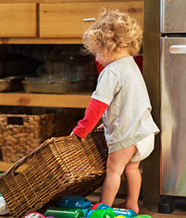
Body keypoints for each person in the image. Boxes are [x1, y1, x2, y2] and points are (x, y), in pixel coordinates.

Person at [70, 10, 160, 214]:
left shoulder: (111, 72)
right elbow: (128, 102)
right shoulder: (131, 66)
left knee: (113, 171)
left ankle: (103, 208)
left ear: (108, 46)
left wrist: (81, 130)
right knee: (132, 168)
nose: (97, 57)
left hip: (127, 135)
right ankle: (132, 204)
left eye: (97, 52)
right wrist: (108, 121)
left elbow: (97, 105)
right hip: (144, 132)